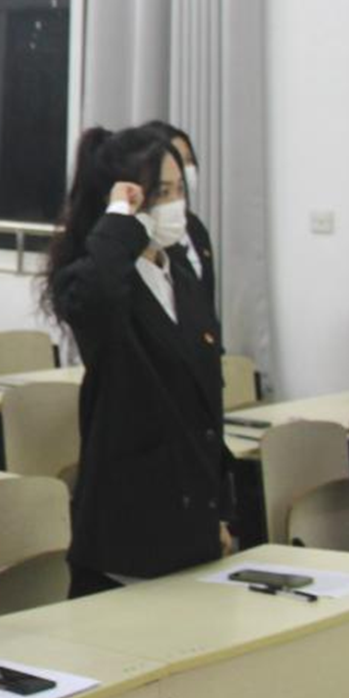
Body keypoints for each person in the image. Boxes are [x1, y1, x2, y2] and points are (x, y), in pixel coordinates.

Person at [44, 126, 233, 597]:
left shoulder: (180, 273)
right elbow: (92, 298)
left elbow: (205, 406)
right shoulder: (96, 278)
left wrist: (219, 511)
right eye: (159, 193)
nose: (175, 205)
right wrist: (117, 220)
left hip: (194, 515)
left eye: (178, 190)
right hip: (129, 525)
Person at [140, 120, 218, 323]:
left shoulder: (196, 228)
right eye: (178, 160)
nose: (186, 168)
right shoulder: (150, 235)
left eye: (189, 160)